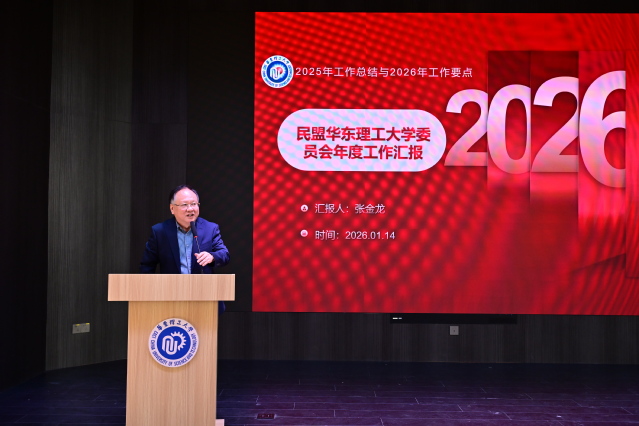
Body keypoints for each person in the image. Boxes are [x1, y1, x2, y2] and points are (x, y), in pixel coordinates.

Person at [140, 184, 230, 312]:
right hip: (170, 296)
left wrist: (212, 256)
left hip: (204, 297)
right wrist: (148, 296)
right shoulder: (159, 231)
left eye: (194, 204)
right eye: (184, 205)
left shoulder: (210, 228)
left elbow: (224, 255)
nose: (190, 209)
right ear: (172, 208)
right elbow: (147, 266)